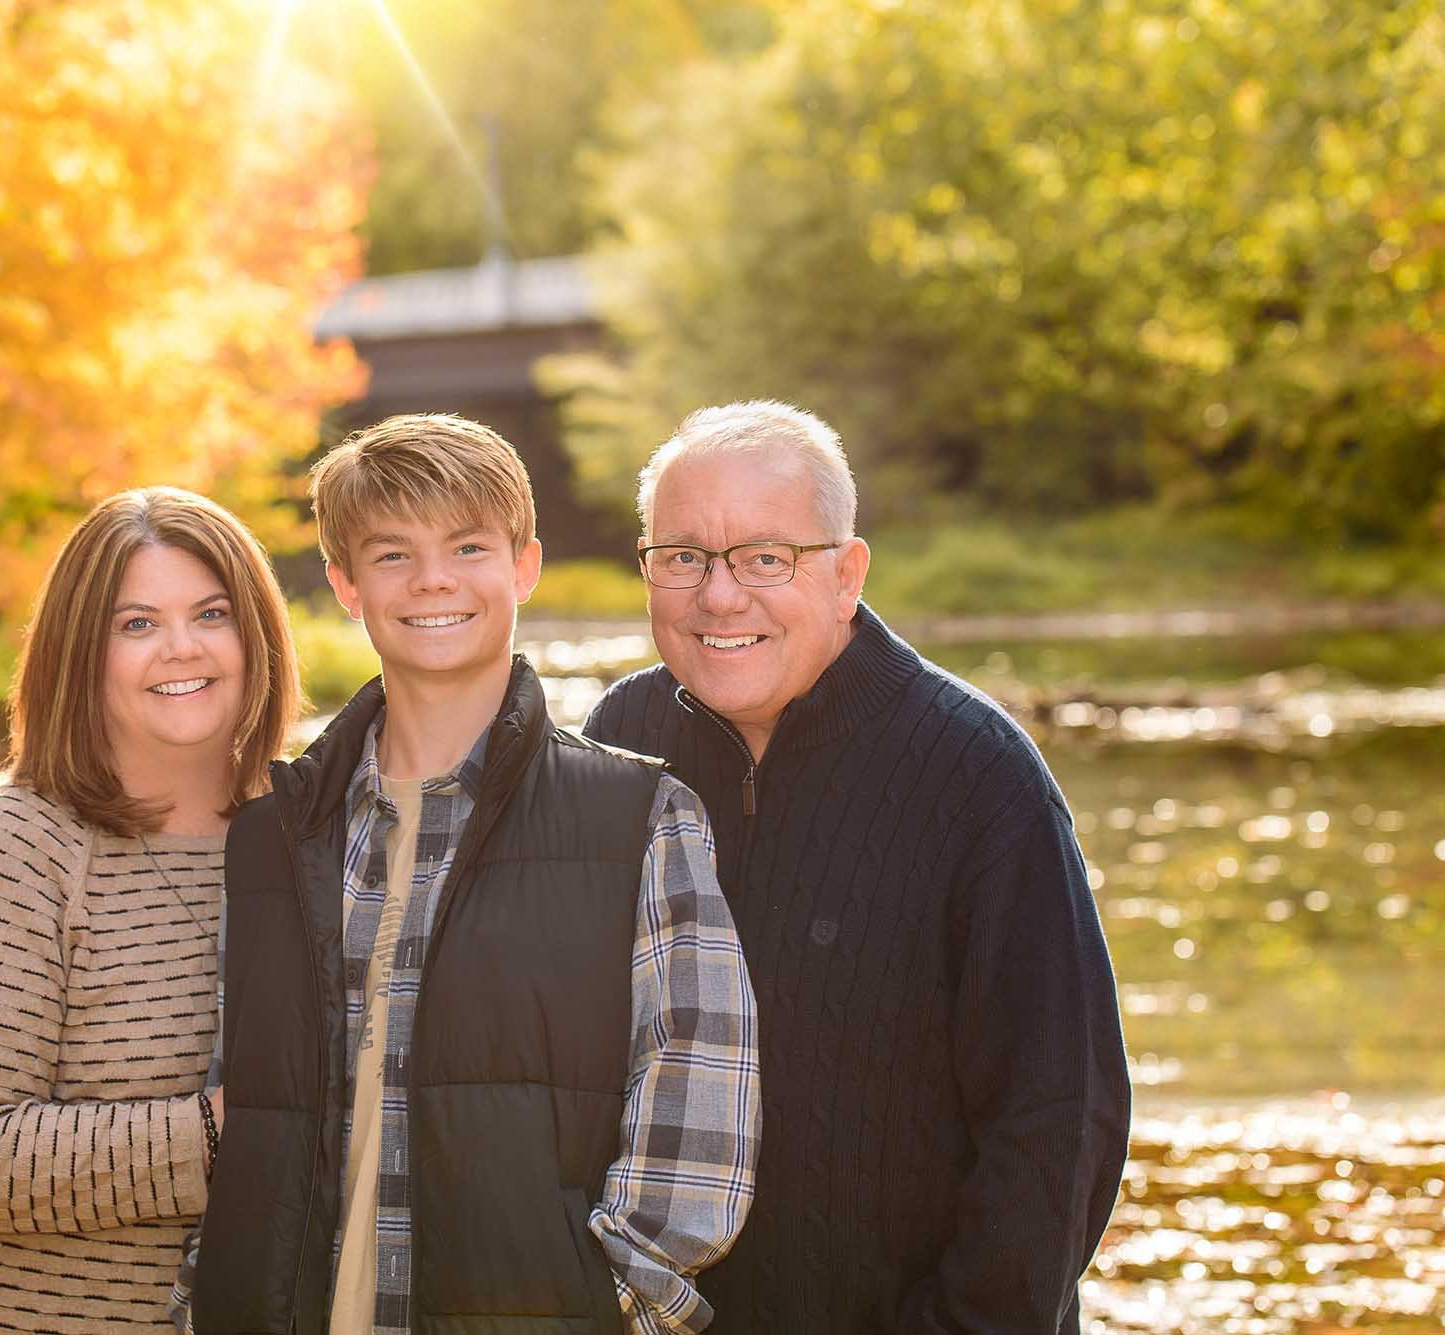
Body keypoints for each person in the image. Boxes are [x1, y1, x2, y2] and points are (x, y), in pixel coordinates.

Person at [174, 414, 760, 1335]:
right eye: (393, 554)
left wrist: (606, 1308)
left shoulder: (643, 818)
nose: (434, 579)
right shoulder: (269, 837)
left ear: (524, 565)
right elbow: (231, 1108)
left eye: (468, 545)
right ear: (345, 586)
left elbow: (699, 1106)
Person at [583, 401, 1131, 1334]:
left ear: (847, 573)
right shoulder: (615, 748)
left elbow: (1059, 1122)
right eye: (682, 557)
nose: (719, 596)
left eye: (766, 558)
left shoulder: (979, 774)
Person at [0, 486, 300, 1333]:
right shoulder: (20, 845)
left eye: (211, 614)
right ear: (78, 652)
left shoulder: (316, 839)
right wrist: (226, 1136)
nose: (181, 648)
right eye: (136, 624)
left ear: (256, 636)